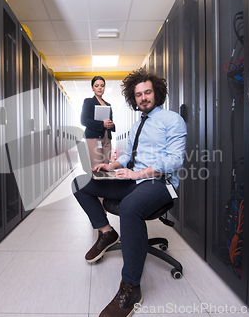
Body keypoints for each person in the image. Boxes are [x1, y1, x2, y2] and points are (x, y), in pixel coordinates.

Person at [72, 69, 187, 317]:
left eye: (147, 92)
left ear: (156, 93)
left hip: (160, 183)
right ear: (133, 99)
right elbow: (127, 157)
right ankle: (106, 233)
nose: (143, 98)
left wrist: (136, 174)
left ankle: (131, 287)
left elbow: (175, 160)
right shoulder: (137, 125)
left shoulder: (172, 120)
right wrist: (111, 166)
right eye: (138, 95)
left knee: (129, 207)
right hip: (132, 180)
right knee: (81, 183)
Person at [81, 76, 115, 168]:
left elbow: (111, 121)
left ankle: (105, 183)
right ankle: (95, 182)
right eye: (97, 86)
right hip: (94, 138)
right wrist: (102, 124)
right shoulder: (88, 102)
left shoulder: (108, 105)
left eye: (102, 85)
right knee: (96, 166)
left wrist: (111, 125)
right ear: (92, 88)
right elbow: (84, 121)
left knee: (105, 166)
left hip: (107, 138)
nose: (100, 88)